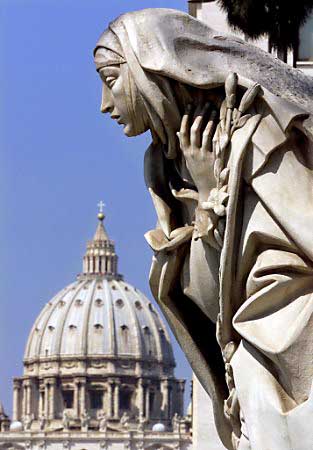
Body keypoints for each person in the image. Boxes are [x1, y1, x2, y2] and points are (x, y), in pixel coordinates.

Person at [94, 8, 313, 450]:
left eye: (112, 79)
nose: (104, 103)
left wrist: (214, 191)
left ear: (150, 70)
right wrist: (210, 200)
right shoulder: (163, 167)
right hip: (248, 331)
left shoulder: (254, 131)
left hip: (287, 318)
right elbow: (210, 306)